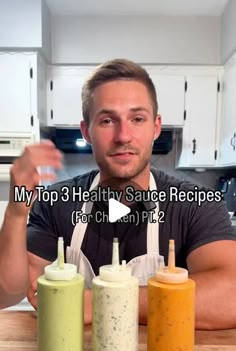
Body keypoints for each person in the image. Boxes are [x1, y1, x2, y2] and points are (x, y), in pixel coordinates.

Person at [0, 58, 236, 329]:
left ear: (155, 127)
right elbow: (7, 293)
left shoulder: (196, 205)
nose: (123, 135)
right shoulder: (56, 203)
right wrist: (16, 212)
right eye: (107, 120)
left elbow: (231, 295)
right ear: (86, 131)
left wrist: (102, 302)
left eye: (137, 119)